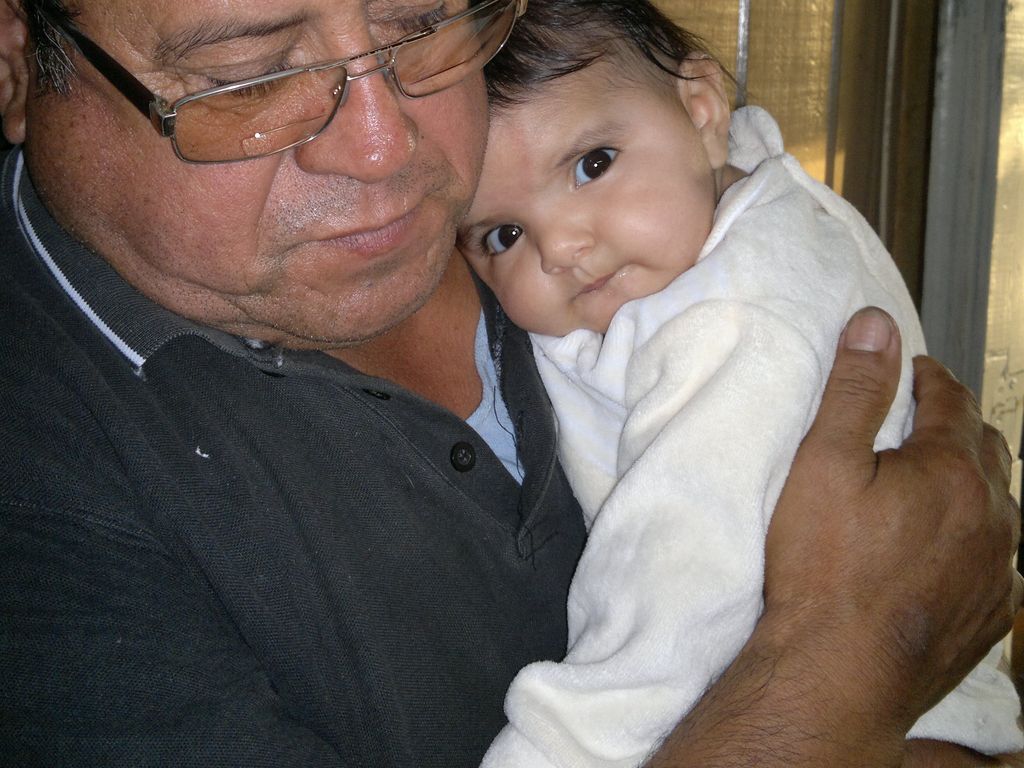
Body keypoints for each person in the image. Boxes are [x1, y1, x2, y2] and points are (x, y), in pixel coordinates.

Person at [0, 0, 1020, 766]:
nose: (385, 149)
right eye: (250, 77)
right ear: (14, 61)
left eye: (423, 25)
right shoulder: (40, 502)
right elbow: (917, 610)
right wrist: (848, 667)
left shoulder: (655, 225)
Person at [457, 3, 1024, 766]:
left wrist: (558, 749)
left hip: (873, 709)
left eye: (593, 164)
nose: (559, 247)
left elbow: (679, 582)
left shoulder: (730, 325)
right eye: (503, 234)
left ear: (701, 110)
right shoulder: (730, 196)